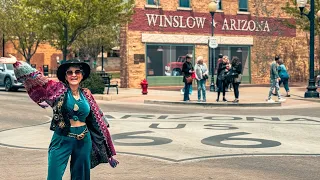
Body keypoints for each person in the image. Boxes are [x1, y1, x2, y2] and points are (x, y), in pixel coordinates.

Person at [0, 56, 118, 180]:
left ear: (82, 75)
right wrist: (17, 63)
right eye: (70, 72)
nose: (74, 75)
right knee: (54, 176)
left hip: (84, 140)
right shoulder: (56, 90)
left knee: (81, 176)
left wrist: (105, 136)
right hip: (62, 138)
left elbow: (97, 118)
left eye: (77, 72)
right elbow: (36, 77)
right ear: (66, 76)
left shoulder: (86, 94)